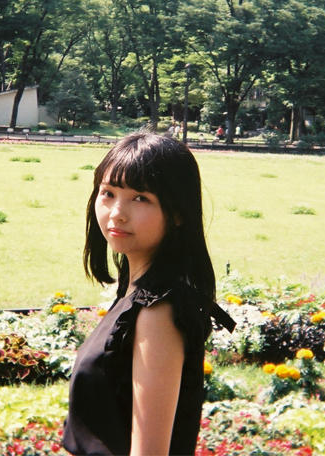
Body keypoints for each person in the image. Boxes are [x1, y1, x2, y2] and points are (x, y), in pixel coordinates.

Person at [63, 132, 234, 456]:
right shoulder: (137, 290)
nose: (117, 212)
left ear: (178, 213)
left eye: (140, 198)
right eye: (108, 193)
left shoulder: (158, 312)